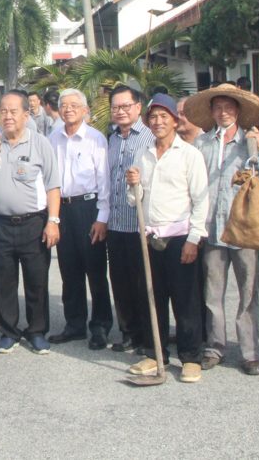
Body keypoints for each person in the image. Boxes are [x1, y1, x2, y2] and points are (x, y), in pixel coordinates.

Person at [122, 94, 209, 383]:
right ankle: (154, 353)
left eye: (164, 117)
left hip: (180, 237)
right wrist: (133, 185)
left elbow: (200, 200)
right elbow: (135, 201)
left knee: (186, 300)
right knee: (152, 297)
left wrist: (194, 239)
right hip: (149, 237)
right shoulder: (143, 155)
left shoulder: (189, 155)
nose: (158, 122)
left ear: (175, 120)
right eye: (153, 118)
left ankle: (191, 357)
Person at [185, 83, 259, 376]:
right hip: (212, 227)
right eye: (218, 107)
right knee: (212, 292)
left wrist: (256, 148)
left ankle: (249, 352)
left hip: (243, 228)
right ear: (211, 111)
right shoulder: (202, 143)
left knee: (248, 292)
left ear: (239, 111)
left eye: (229, 107)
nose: (224, 113)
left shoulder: (249, 140)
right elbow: (193, 182)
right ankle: (215, 346)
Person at [0, 90, 60, 355]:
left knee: (36, 281)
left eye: (14, 111)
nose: (8, 116)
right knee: (3, 281)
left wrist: (53, 221)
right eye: (3, 111)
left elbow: (53, 185)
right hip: (0, 223)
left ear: (26, 114)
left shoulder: (40, 143)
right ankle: (8, 332)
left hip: (33, 224)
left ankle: (37, 331)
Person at [47, 88, 112, 350]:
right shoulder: (53, 138)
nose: (68, 109)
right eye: (64, 105)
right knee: (69, 269)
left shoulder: (96, 139)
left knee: (95, 271)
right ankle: (74, 324)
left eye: (74, 105)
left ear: (85, 110)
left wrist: (102, 217)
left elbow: (104, 181)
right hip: (62, 208)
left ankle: (100, 326)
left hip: (89, 209)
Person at [105, 85, 155, 355]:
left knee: (142, 282)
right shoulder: (111, 138)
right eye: (116, 107)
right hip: (115, 222)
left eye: (126, 106)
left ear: (138, 108)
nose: (120, 111)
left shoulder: (149, 138)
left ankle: (148, 337)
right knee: (120, 281)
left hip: (140, 224)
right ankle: (128, 332)